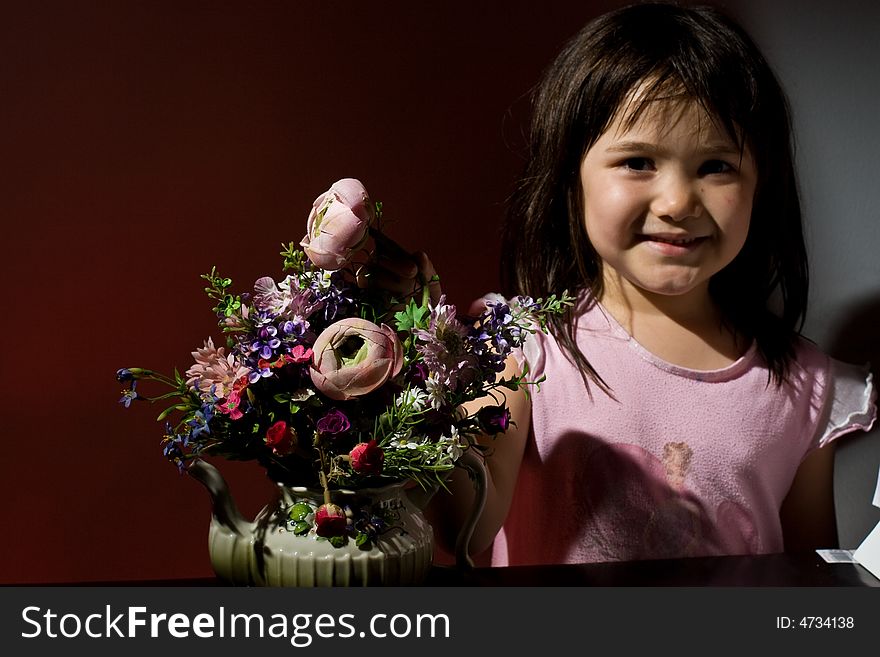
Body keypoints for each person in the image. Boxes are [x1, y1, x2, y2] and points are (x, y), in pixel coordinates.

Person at [371, 1, 877, 565]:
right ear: (571, 179)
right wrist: (433, 366)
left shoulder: (803, 384)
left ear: (763, 183)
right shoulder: (523, 347)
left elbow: (813, 589)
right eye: (638, 162)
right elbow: (464, 529)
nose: (679, 201)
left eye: (716, 166)